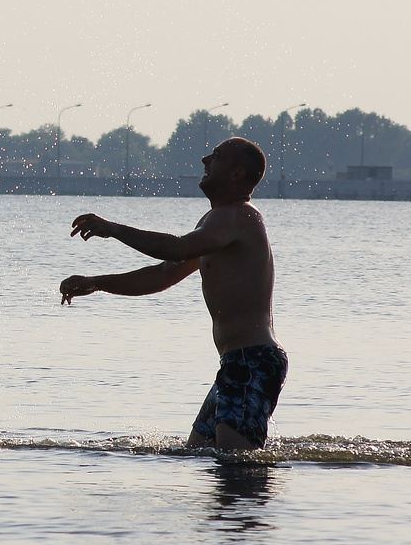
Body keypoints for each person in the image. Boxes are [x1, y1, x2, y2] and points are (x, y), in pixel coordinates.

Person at [59, 137, 287, 450]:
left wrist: (113, 229)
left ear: (237, 175)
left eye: (216, 156)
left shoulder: (238, 216)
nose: (205, 160)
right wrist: (98, 282)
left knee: (237, 469)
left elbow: (178, 247)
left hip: (252, 362)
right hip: (236, 363)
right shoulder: (215, 222)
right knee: (196, 452)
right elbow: (164, 274)